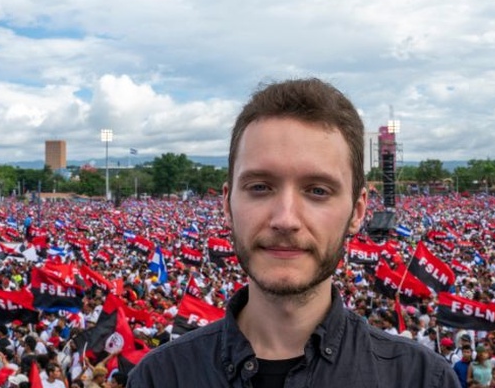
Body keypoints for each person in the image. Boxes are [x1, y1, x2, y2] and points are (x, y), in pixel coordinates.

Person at [127, 78, 458, 387]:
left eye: (317, 191)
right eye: (260, 187)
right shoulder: (159, 377)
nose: (285, 219)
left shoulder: (421, 378)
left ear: (357, 211)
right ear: (227, 203)